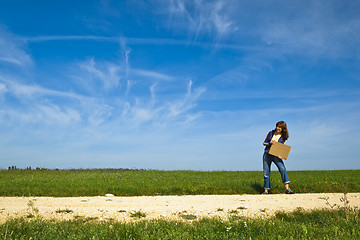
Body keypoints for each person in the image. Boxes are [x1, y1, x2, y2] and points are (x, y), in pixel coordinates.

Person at [262, 121, 294, 194]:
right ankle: (266, 191)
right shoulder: (270, 133)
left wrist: (281, 155)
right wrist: (270, 142)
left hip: (276, 155)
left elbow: (282, 147)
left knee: (282, 169)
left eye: (279, 127)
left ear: (283, 128)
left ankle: (287, 189)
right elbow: (264, 143)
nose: (277, 128)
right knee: (266, 172)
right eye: (277, 126)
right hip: (267, 154)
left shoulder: (284, 137)